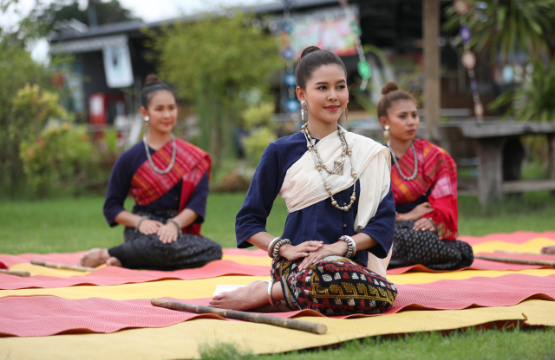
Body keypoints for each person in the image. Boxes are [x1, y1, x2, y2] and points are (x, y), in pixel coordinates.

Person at [209, 46, 397, 315]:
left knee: (384, 292)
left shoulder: (368, 152)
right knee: (323, 277)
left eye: (340, 87)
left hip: (350, 269)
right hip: (300, 267)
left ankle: (270, 293)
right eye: (322, 88)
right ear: (301, 94)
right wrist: (284, 249)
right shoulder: (280, 151)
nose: (333, 96)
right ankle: (283, 290)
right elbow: (248, 221)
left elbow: (384, 223)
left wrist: (340, 247)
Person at [79, 75, 222, 270]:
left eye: (172, 108)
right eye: (159, 109)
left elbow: (197, 204)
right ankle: (123, 254)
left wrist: (174, 225)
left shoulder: (193, 157)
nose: (167, 115)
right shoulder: (129, 158)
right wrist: (140, 222)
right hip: (143, 229)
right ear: (144, 112)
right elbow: (112, 207)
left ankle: (117, 256)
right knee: (157, 245)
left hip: (176, 228)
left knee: (213, 250)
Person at [378, 81, 474, 271]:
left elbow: (443, 200)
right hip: (391, 228)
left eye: (414, 115)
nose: (411, 121)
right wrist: (404, 217)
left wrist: (431, 220)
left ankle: (390, 261)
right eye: (403, 116)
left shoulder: (434, 155)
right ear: (385, 122)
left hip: (424, 226)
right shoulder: (375, 159)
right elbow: (368, 209)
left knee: (462, 250)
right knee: (389, 238)